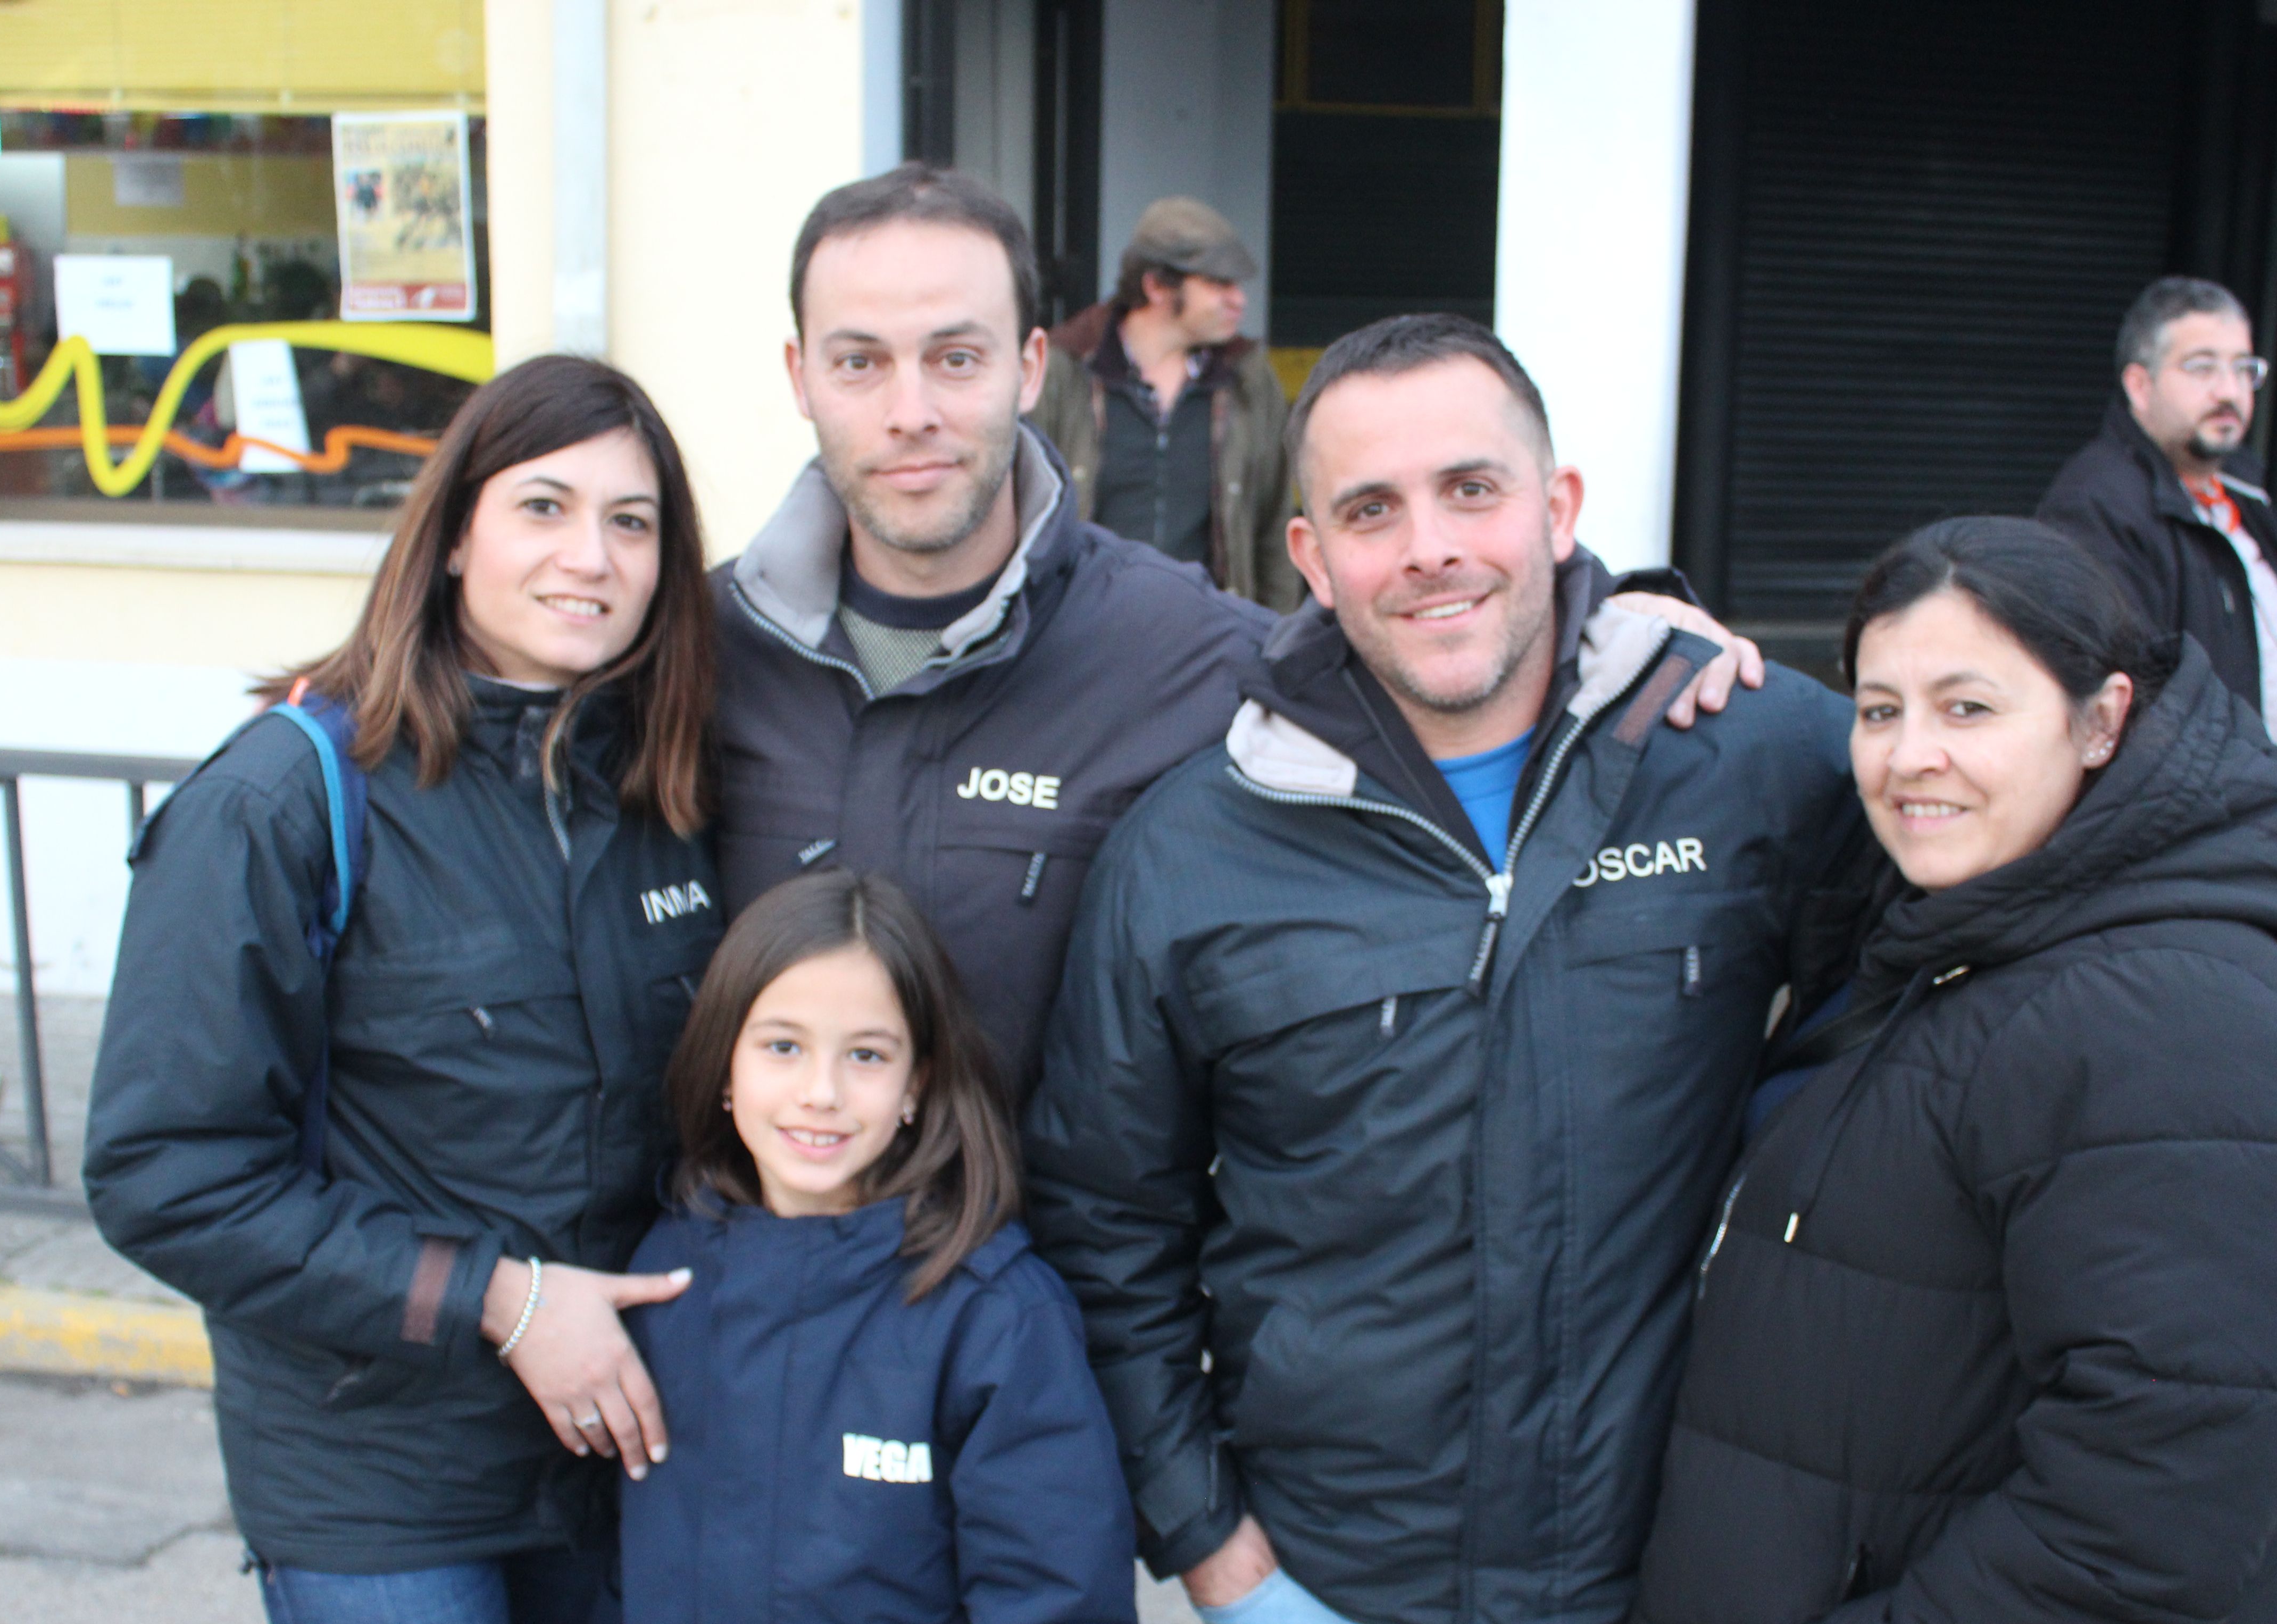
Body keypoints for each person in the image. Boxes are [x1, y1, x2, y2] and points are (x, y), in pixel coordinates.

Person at [1020, 314, 1872, 1624]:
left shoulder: (1747, 755)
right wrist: (1212, 1546)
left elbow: (2042, 795)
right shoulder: (1196, 844)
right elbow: (1104, 1215)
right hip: (1327, 1598)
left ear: (1558, 511)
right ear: (1310, 553)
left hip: (1657, 1595)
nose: (1430, 549)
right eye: (1372, 512)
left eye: (1472, 491)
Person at [1584, 517, 2277, 1624]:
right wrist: (1661, 627)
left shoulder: (2161, 1016)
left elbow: (2151, 1501)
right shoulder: (1962, 931)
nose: (1908, 755)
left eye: (1968, 706)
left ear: (2103, 718)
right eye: (1879, 708)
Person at [717, 164, 1756, 1107]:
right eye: (861, 363)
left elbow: (1431, 635)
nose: (912, 411)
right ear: (800, 374)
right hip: (739, 1296)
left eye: (955, 357)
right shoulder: (695, 656)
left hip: (1040, 1295)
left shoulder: (1187, 648)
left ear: (1033, 368)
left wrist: (1622, 621)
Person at [82, 355, 725, 1624]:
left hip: (613, 1467)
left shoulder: (667, 791)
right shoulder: (288, 794)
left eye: (634, 525)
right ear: (451, 534)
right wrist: (502, 1299)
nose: (592, 556)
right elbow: (165, 1174)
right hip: (376, 1475)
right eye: (547, 507)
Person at [540, 870, 1138, 1624]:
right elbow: (644, 1542)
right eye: (782, 1047)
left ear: (917, 1086)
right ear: (724, 1064)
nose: (819, 1093)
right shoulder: (671, 1276)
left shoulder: (992, 1318)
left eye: (867, 1055)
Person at [2038, 276, 2277, 843]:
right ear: (2140, 384)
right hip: (2203, 845)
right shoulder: (2099, 506)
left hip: (2272, 829)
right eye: (2202, 368)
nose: (2229, 390)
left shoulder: (2241, 491)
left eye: (2243, 368)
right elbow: (2125, 707)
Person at [1029, 196, 1301, 612]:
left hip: (1206, 639)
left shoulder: (1248, 378)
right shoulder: (1064, 371)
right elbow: (1022, 512)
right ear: (1157, 286)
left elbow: (1273, 523)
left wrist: (1277, 640)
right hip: (1084, 632)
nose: (1239, 300)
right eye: (1218, 284)